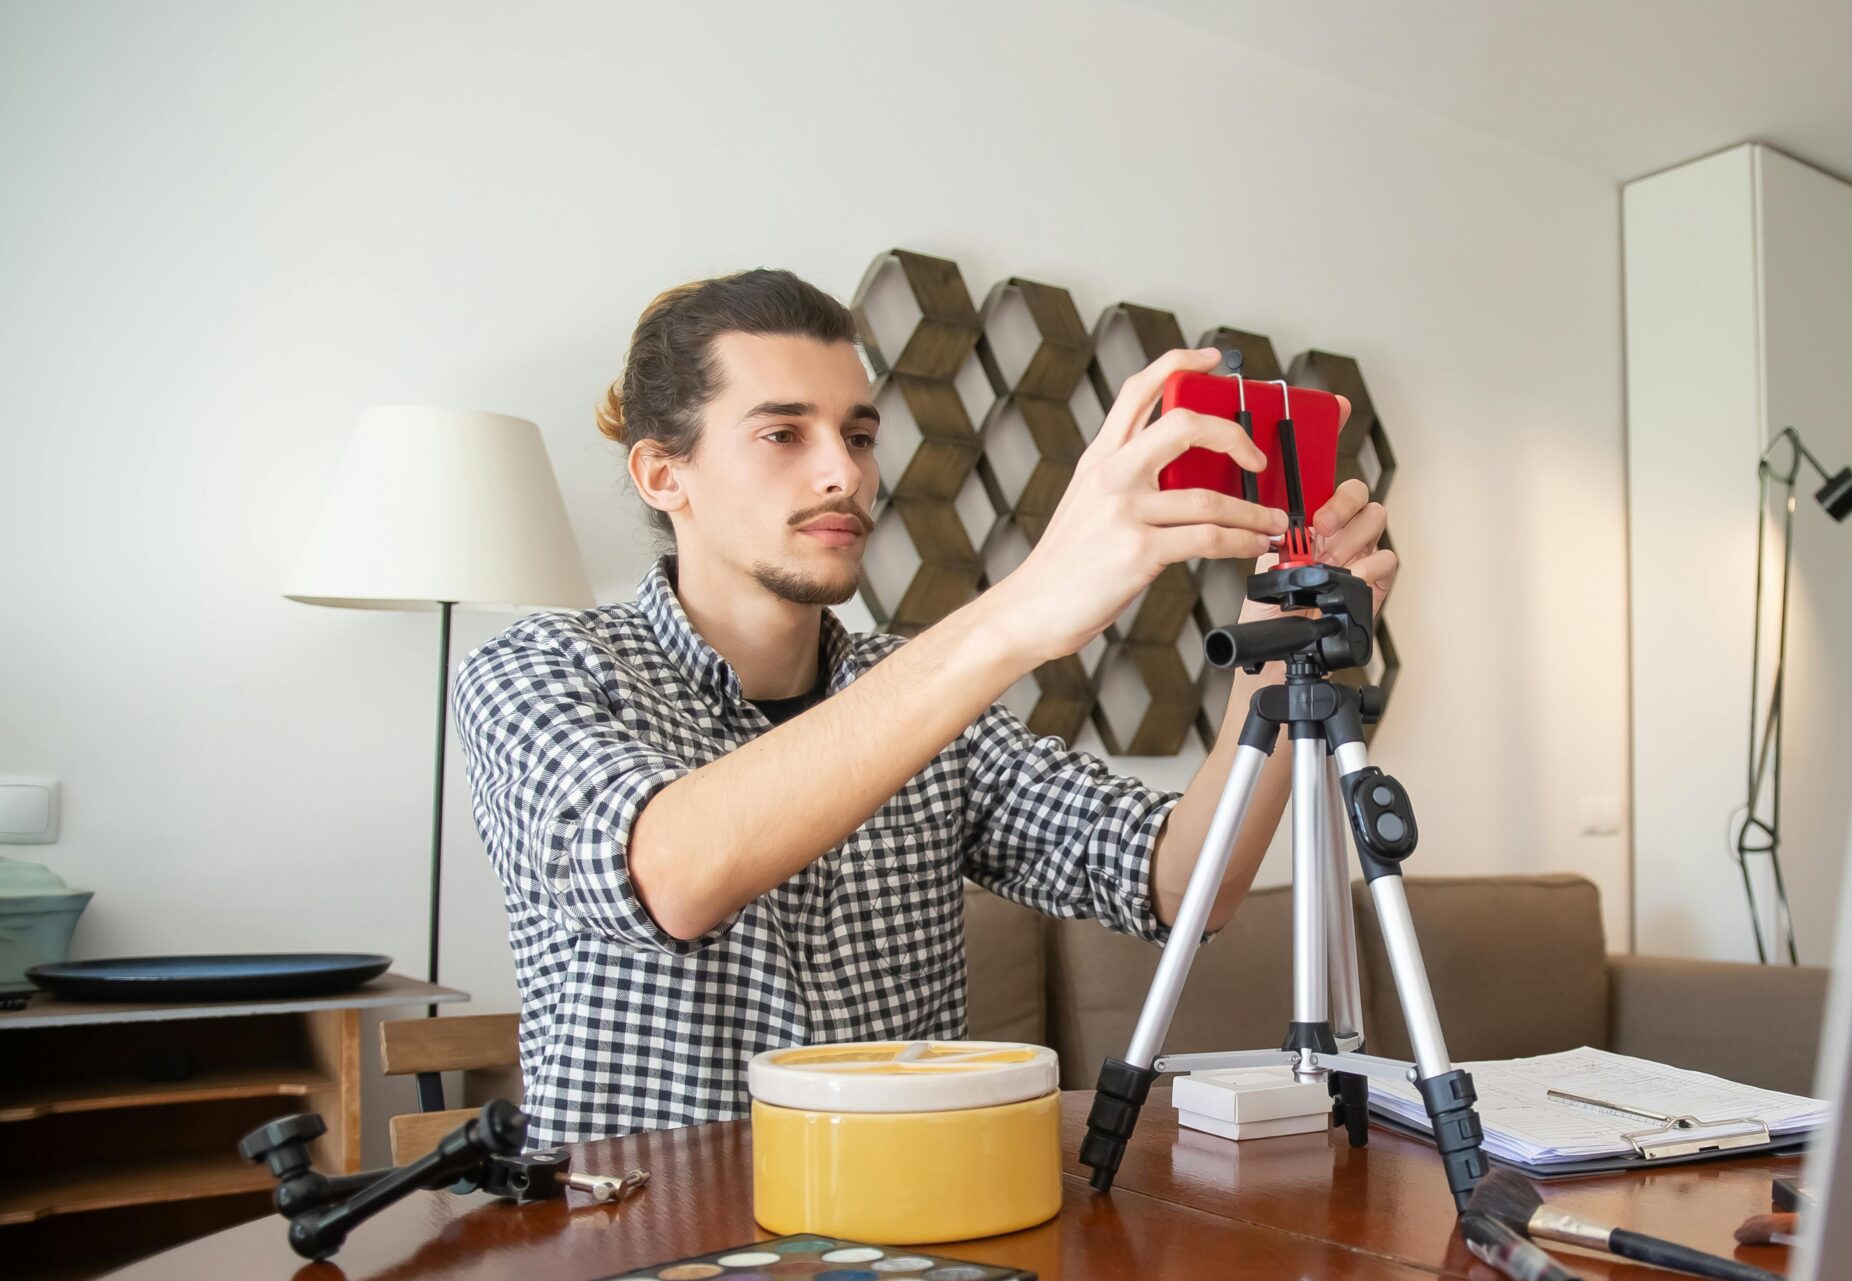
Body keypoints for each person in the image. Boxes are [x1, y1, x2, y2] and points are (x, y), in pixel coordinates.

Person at [455, 269, 1398, 1142]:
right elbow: (674, 875)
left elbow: (1186, 882)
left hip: (905, 1235)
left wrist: (1280, 660)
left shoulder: (914, 686)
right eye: (784, 434)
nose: (846, 474)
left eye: (858, 436)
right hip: (648, 1256)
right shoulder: (541, 668)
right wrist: (1022, 609)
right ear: (664, 474)